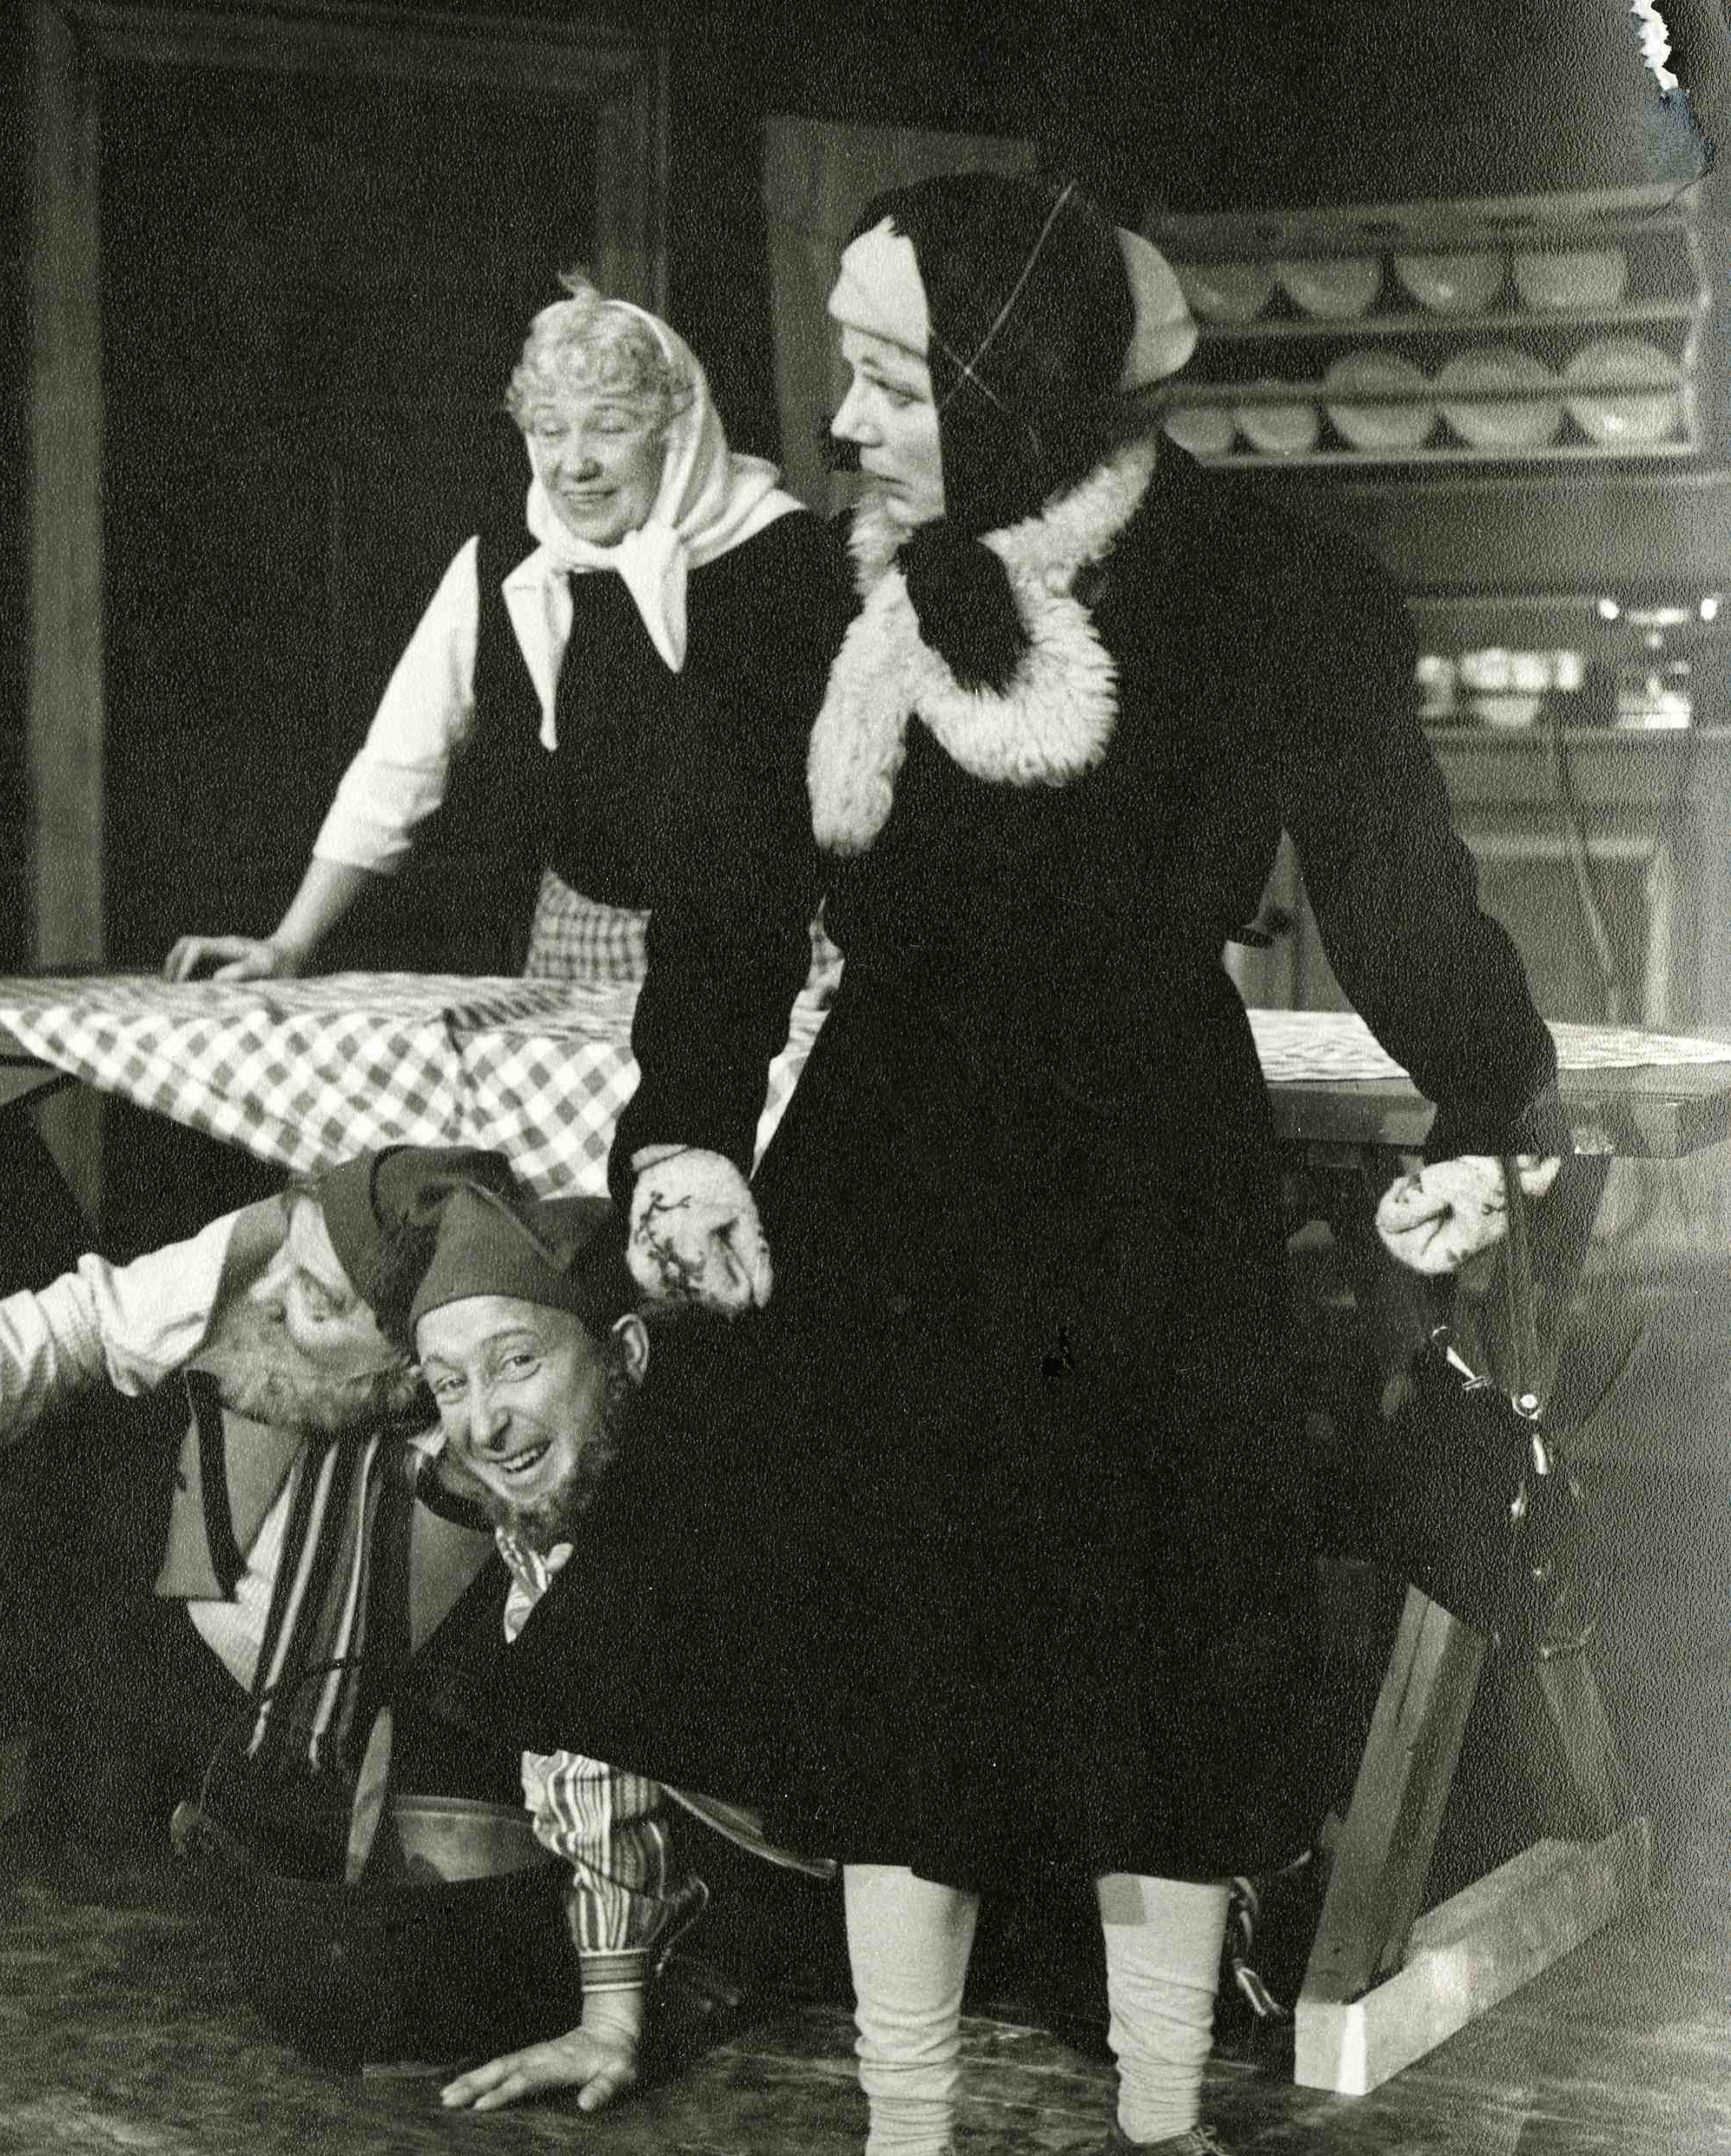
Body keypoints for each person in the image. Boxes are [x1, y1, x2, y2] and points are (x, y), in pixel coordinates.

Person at [499, 173, 1569, 2156]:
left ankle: (1157, 2119)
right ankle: (906, 2127)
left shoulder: (1267, 589)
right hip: (888, 1172)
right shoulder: (792, 605)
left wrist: (1495, 1109)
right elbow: (721, 928)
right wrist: (689, 1143)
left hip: (1148, 1178)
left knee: (1155, 1667)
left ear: (1014, 389)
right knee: (905, 1668)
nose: (843, 423)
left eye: (892, 381)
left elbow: (1403, 901)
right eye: (847, 373)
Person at [0, 1145, 522, 1862]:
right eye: (291, 1257)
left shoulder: (498, 1373)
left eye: (323, 1296)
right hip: (200, 1685)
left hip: (397, 1733)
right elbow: (90, 1318)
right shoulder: (281, 1246)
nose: (278, 1291)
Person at [163, 277, 851, 986]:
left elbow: (874, 782)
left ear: (676, 432)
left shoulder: (792, 557)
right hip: (581, 946)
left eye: (610, 426)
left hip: (775, 950)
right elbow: (399, 765)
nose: (573, 463)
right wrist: (289, 943)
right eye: (550, 429)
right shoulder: (501, 567)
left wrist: (861, 954)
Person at [397, 1181, 828, 2118]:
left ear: (625, 1353)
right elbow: (593, 1758)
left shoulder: (723, 1490)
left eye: (516, 1362)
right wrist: (610, 2018)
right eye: (450, 1382)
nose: (482, 1423)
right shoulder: (553, 1506)